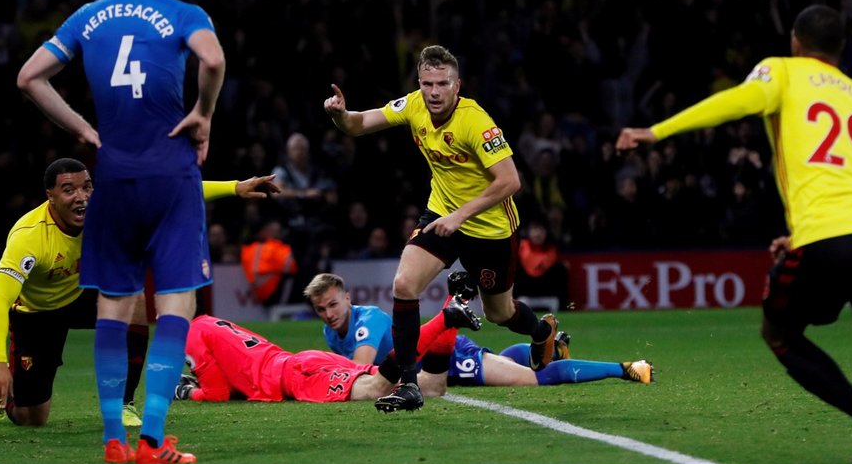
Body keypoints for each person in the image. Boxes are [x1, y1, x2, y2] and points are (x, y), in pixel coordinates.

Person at [616, 4, 852, 464]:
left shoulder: (782, 72)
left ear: (795, 41)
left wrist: (657, 131)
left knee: (779, 332)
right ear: (841, 50)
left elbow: (733, 102)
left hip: (827, 236)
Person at [17, 0, 226, 464]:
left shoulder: (89, 16)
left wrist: (83, 130)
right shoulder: (184, 14)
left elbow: (29, 77)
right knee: (175, 299)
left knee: (114, 304)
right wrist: (202, 114)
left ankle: (114, 439)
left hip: (110, 176)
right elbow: (213, 60)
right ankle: (153, 438)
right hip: (169, 175)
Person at [323, 45, 558, 413]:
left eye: (442, 84)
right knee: (404, 284)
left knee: (499, 313)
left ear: (457, 85)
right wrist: (340, 115)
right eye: (427, 83)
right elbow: (359, 124)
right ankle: (409, 385)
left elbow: (511, 181)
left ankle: (543, 333)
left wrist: (460, 216)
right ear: (419, 82)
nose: (433, 92)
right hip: (441, 213)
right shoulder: (414, 104)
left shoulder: (476, 122)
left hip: (491, 229)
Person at [0, 158, 279, 429]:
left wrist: (235, 187)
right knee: (32, 418)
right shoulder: (29, 237)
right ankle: (7, 399)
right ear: (51, 196)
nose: (82, 197)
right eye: (69, 190)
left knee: (132, 295)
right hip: (36, 314)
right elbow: (0, 299)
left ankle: (125, 403)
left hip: (81, 295)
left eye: (87, 187)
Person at [304, 271, 653, 391]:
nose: (329, 313)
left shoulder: (369, 322)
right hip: (432, 369)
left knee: (534, 382)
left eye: (334, 304)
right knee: (503, 365)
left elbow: (362, 371)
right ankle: (549, 351)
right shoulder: (331, 333)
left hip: (450, 357)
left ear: (348, 298)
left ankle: (627, 368)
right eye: (321, 309)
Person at [173, 314, 440, 403]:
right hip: (302, 360)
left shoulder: (189, 335)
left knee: (374, 390)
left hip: (295, 377)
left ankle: (445, 319)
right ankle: (448, 316)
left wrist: (188, 392)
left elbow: (217, 393)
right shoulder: (208, 322)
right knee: (428, 386)